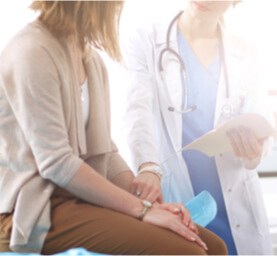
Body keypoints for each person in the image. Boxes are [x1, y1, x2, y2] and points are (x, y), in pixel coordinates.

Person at [0, 1, 227, 255]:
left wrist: (146, 200)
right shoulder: (32, 51)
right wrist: (142, 210)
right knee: (190, 252)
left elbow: (105, 151)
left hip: (77, 200)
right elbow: (57, 162)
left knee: (215, 247)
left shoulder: (90, 59)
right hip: (34, 209)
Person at [122, 1, 274, 254]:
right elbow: (135, 111)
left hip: (236, 207)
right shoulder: (145, 42)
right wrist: (147, 166)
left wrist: (255, 151)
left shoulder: (247, 53)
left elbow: (265, 125)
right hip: (179, 199)